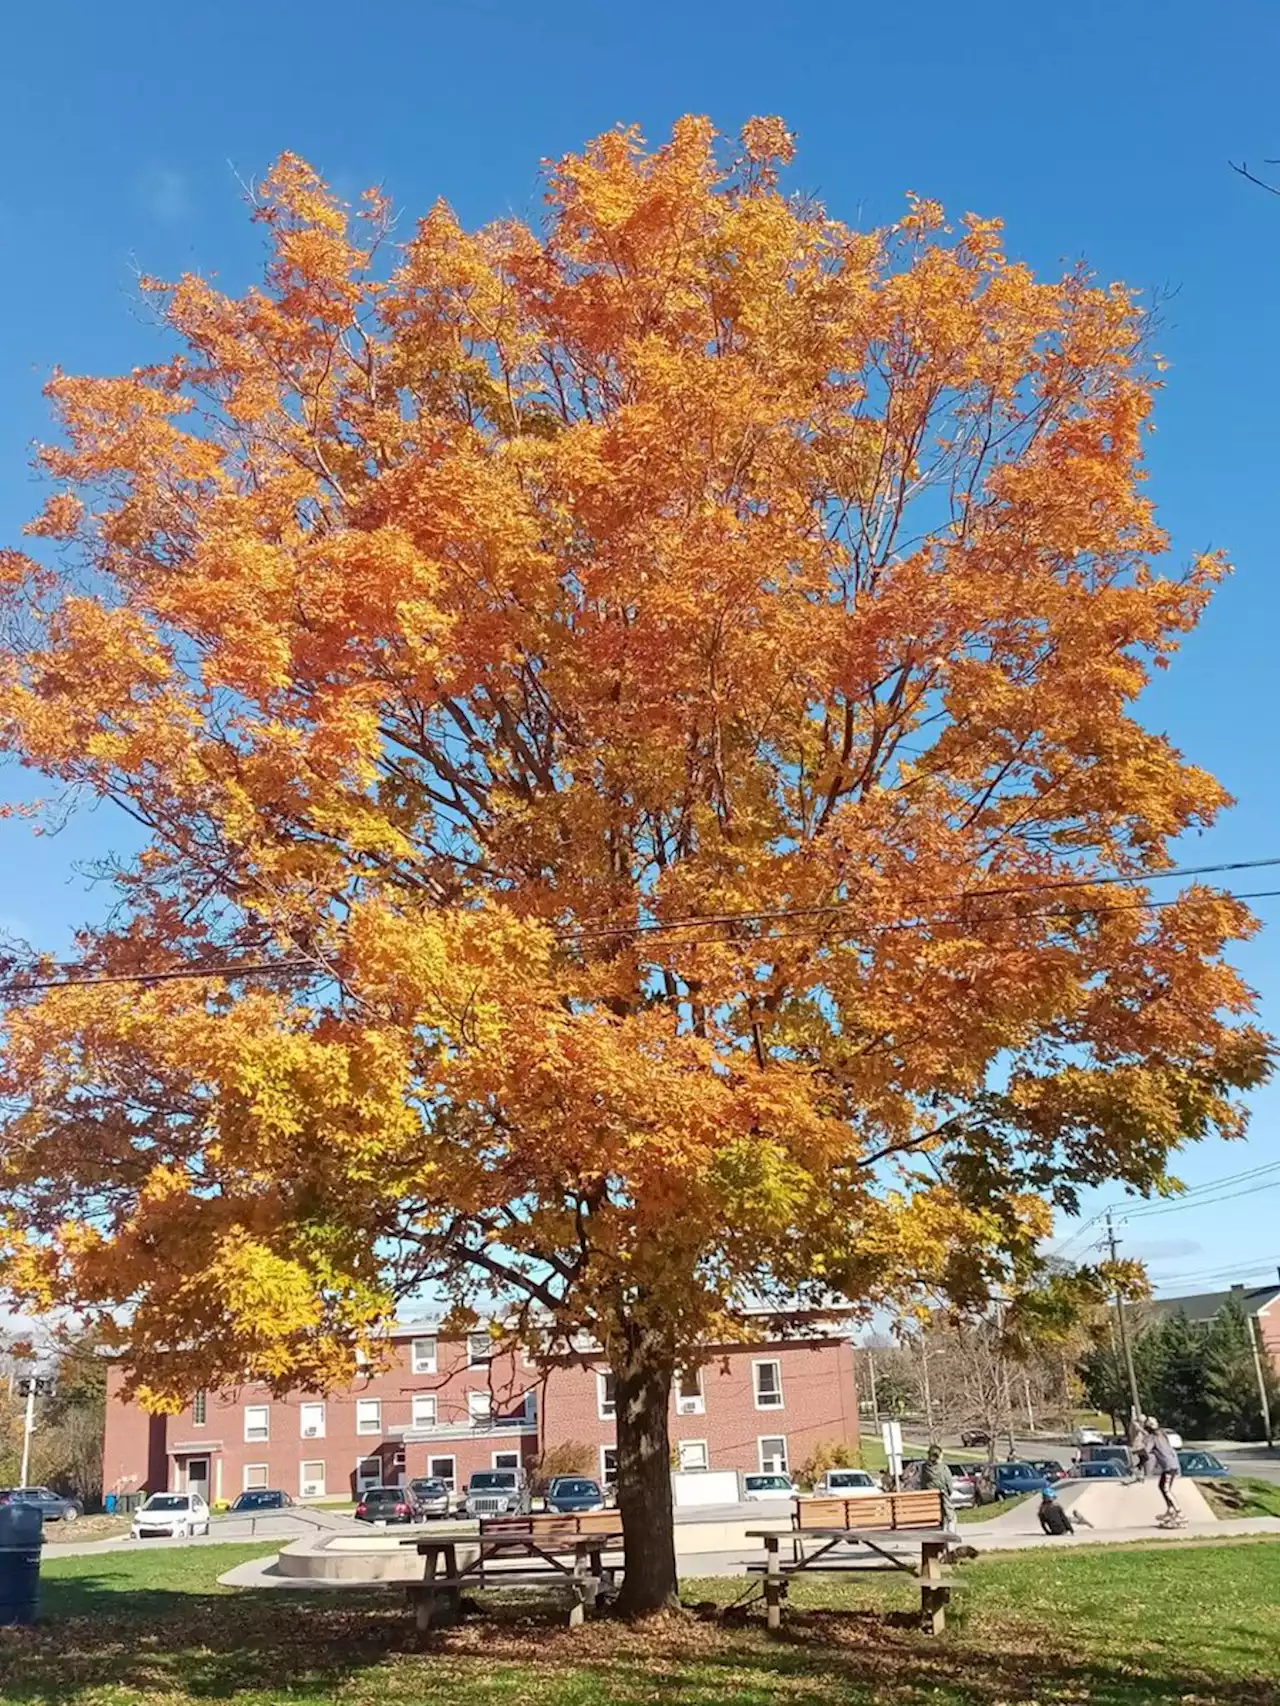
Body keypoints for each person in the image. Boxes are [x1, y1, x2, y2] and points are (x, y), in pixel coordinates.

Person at [1147, 1416, 1181, 1520]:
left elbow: (1146, 1450)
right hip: (1172, 1464)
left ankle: (1178, 1512)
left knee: (1166, 1489)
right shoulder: (1162, 1433)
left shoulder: (1153, 1437)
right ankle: (1170, 1510)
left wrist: (1137, 1453)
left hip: (1168, 1466)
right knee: (1161, 1486)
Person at [919, 1444, 955, 1529]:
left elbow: (922, 1486)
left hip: (929, 1507)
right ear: (939, 1456)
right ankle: (949, 1538)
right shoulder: (944, 1468)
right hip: (943, 1505)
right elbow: (950, 1488)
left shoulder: (924, 1469)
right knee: (951, 1517)